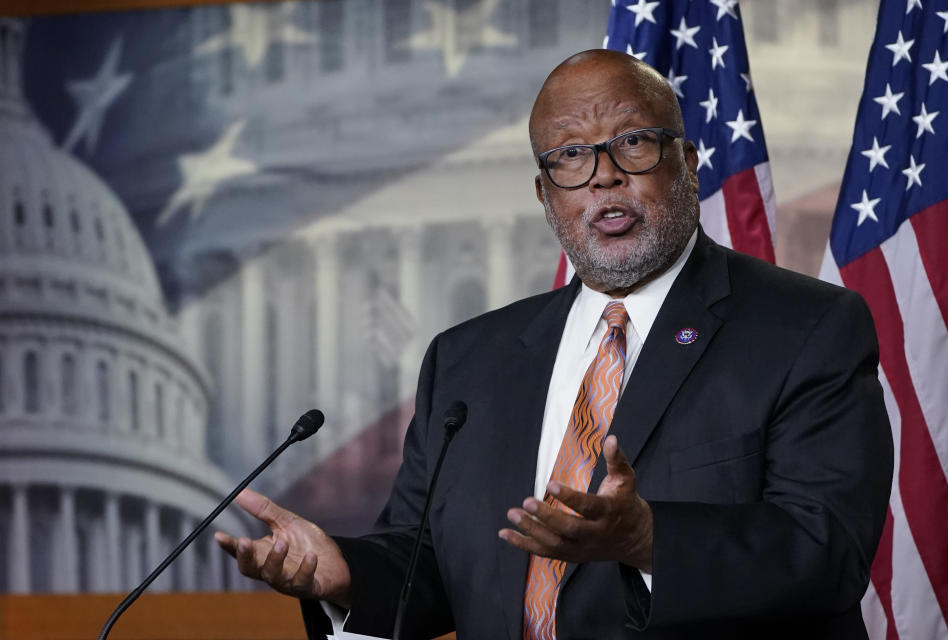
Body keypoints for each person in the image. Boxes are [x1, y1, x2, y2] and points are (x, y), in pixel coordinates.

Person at [215, 50, 893, 640]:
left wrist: (651, 540)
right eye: (570, 155)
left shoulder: (807, 327)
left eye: (633, 143)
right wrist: (344, 576)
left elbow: (827, 552)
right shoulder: (468, 360)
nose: (602, 175)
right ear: (545, 196)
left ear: (685, 163)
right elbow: (435, 565)